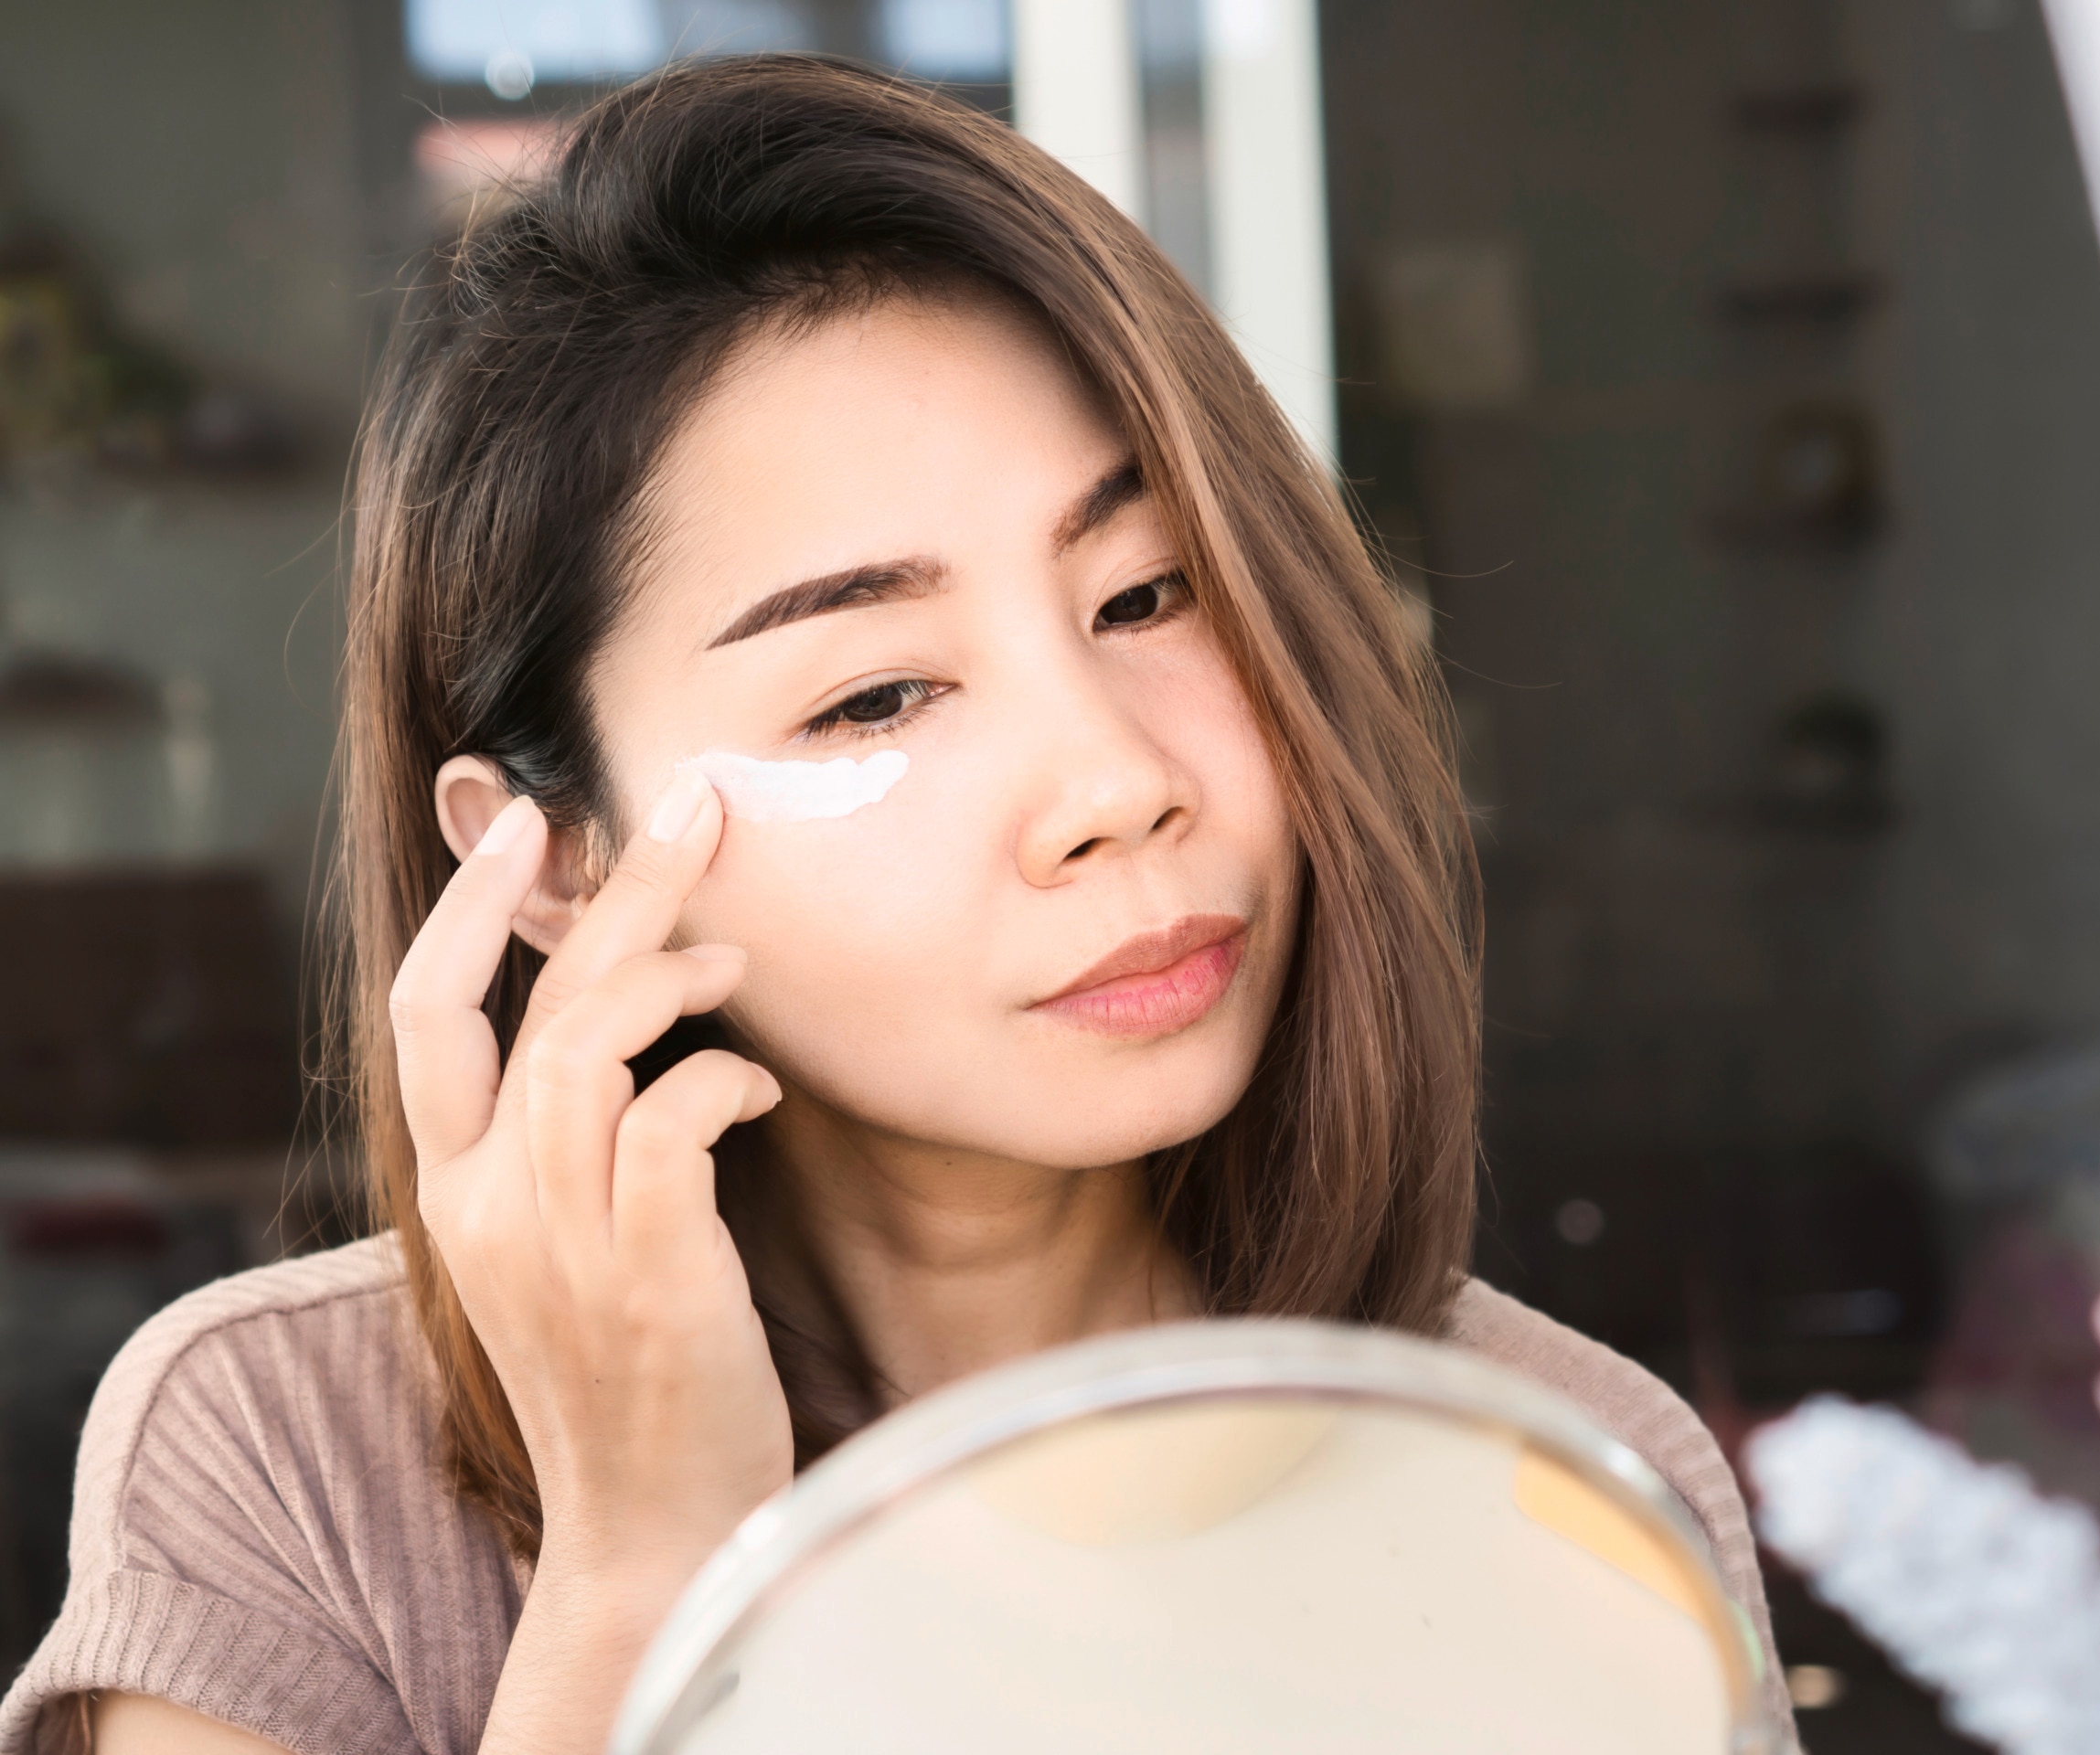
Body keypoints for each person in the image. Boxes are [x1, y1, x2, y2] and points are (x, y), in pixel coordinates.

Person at [0, 57, 1794, 1755]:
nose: (1115, 786)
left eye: (1151, 593)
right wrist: (643, 1575)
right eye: (874, 695)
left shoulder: (1563, 1484)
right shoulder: (281, 1457)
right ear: (549, 862)